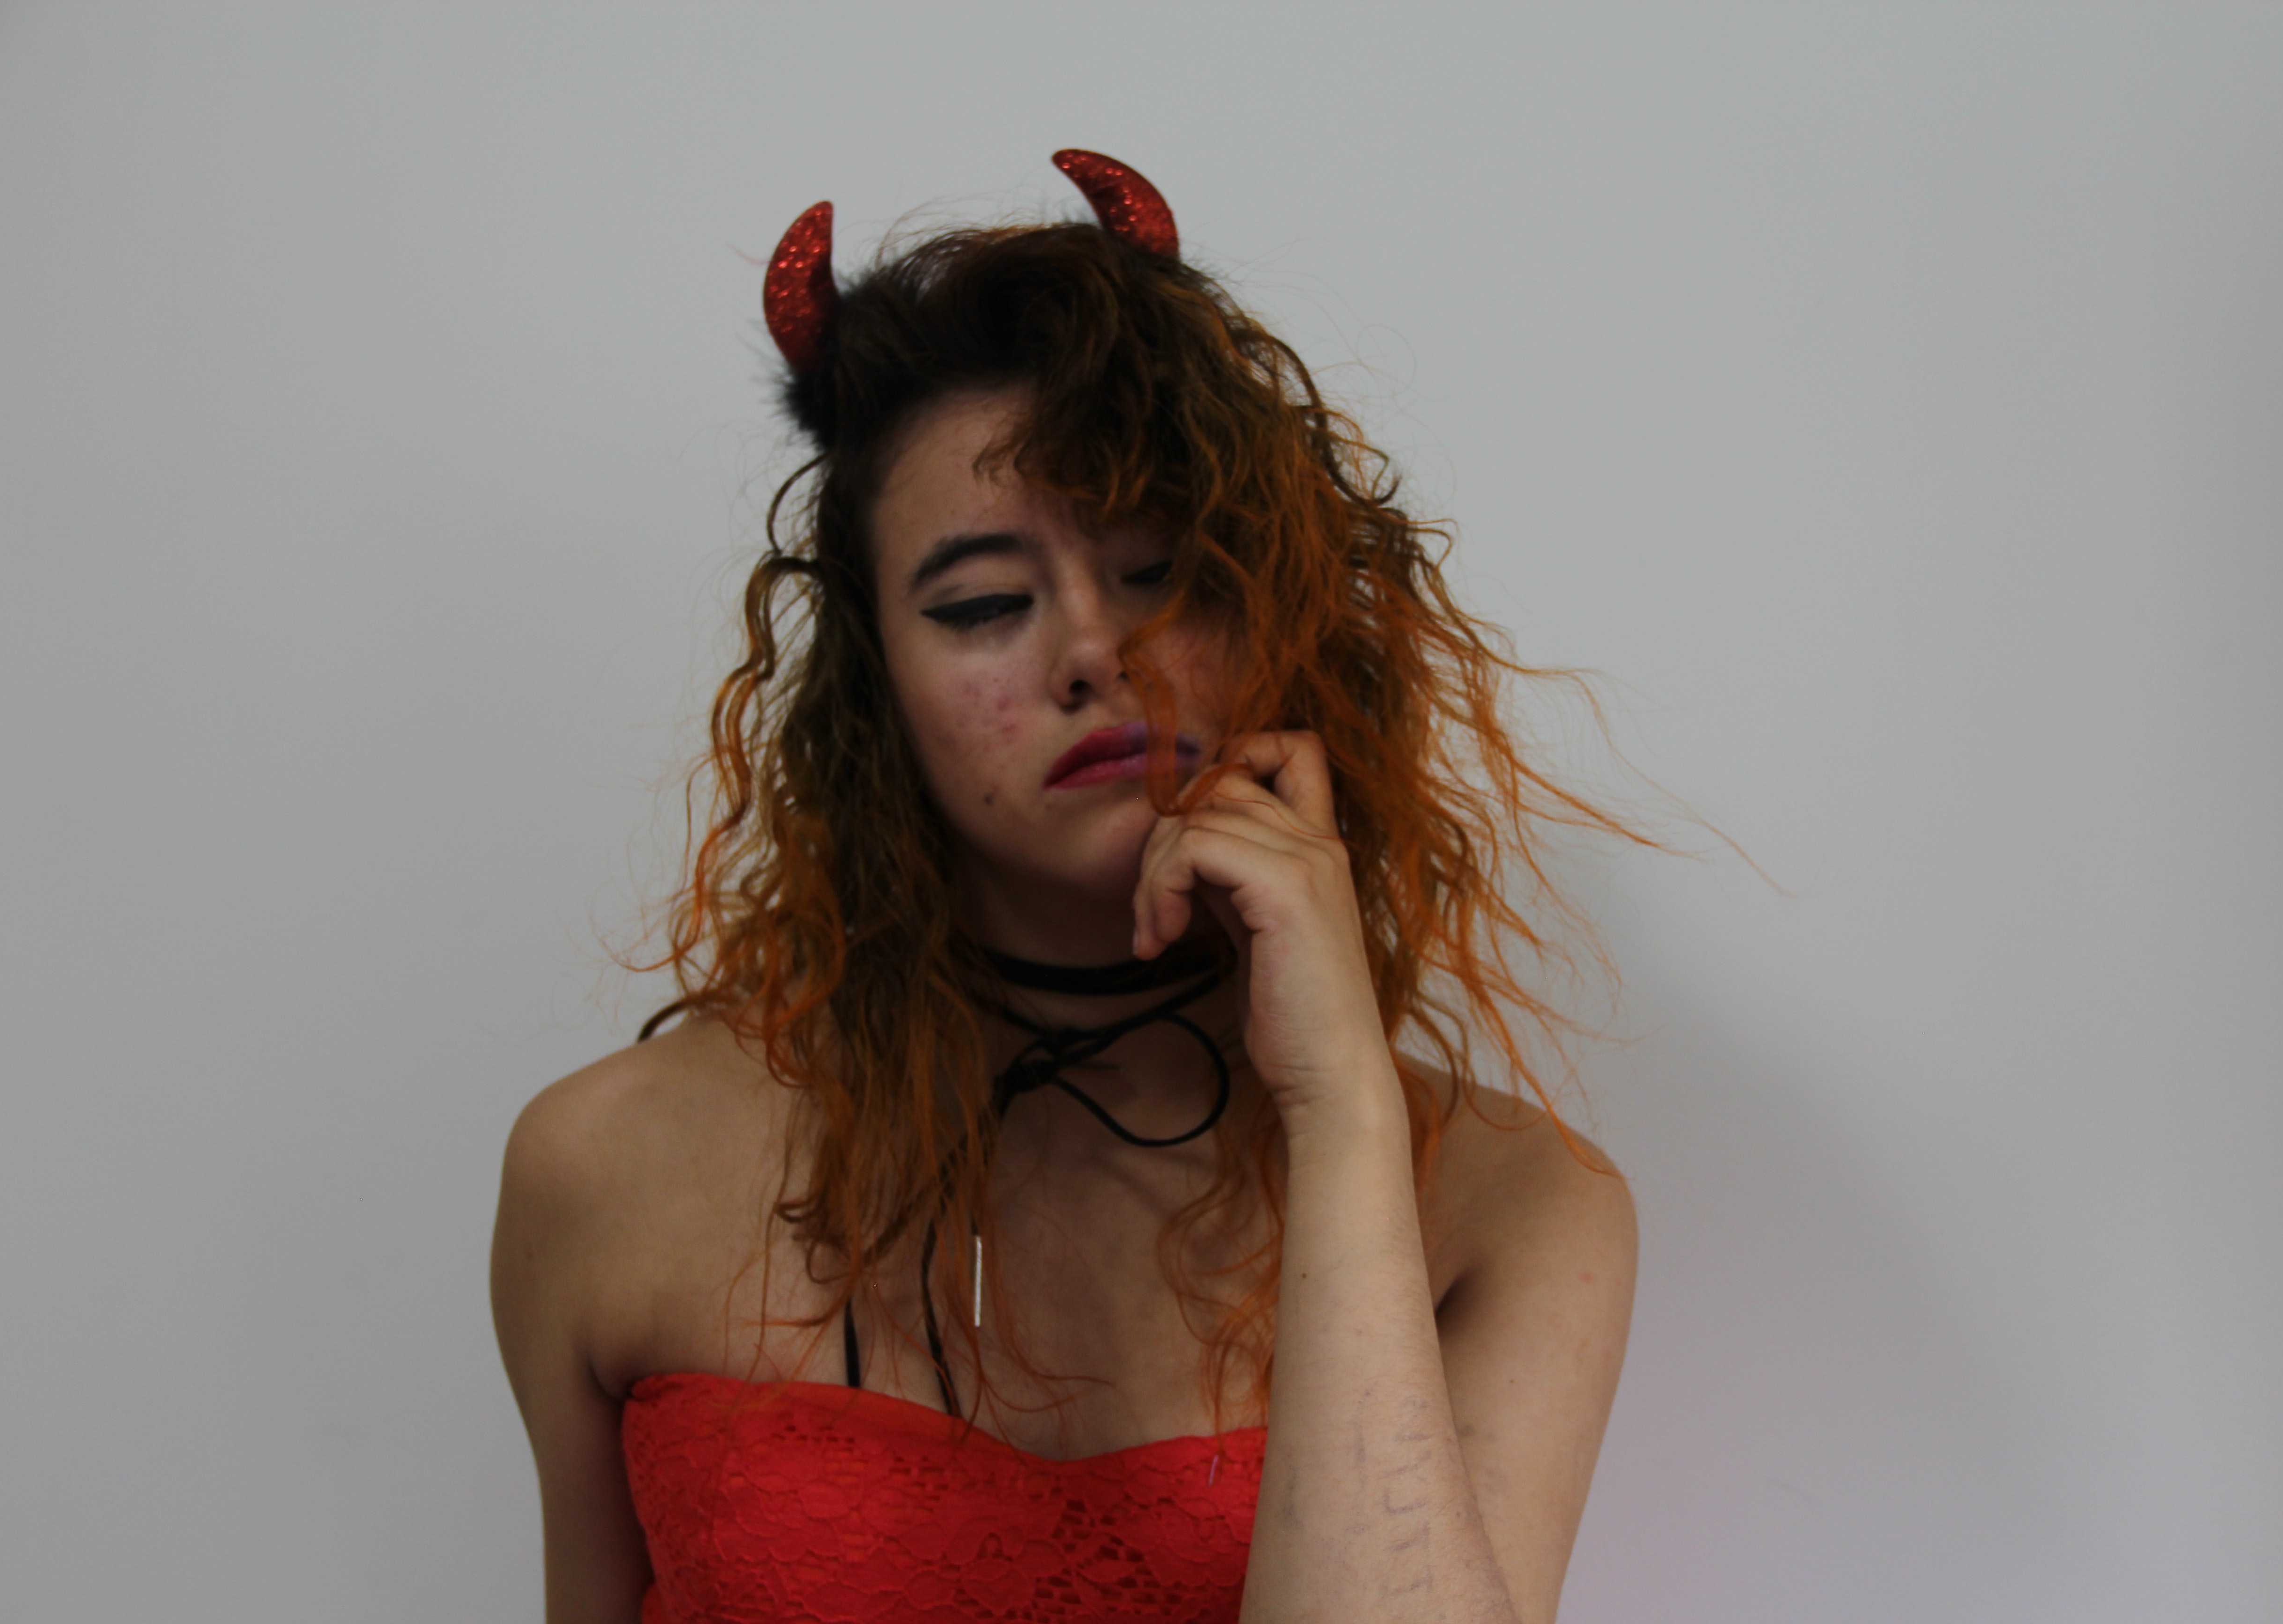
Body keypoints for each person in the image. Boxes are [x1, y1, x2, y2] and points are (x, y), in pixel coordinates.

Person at [491, 150, 1640, 1624]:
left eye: (1159, 569)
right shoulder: (603, 1170)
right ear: (873, 689)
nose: (1095, 651)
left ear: (1273, 604)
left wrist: (1342, 1107)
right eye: (983, 605)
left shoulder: (1511, 1208)